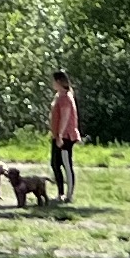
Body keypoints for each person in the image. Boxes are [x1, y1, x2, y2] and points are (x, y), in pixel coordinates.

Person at [50, 71, 84, 205]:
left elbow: (65, 117)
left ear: (59, 82)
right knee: (55, 164)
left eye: (53, 81)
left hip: (65, 136)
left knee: (66, 164)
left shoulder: (65, 98)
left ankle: (69, 194)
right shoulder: (59, 96)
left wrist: (60, 136)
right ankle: (60, 193)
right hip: (57, 135)